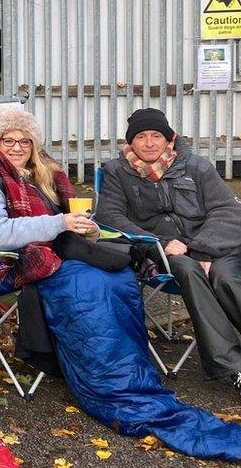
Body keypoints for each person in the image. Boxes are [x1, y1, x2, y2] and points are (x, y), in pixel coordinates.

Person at [0, 105, 241, 460]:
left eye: (25, 141)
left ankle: (131, 373)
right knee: (88, 289)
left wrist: (85, 227)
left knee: (116, 275)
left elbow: (81, 220)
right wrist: (61, 224)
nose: (17, 148)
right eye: (9, 140)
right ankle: (113, 385)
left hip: (59, 252)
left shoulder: (41, 174)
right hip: (10, 261)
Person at [96, 107, 241, 394]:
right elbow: (110, 217)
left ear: (169, 140)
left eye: (156, 136)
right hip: (162, 254)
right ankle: (233, 367)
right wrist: (159, 242)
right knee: (186, 269)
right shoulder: (117, 172)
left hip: (213, 247)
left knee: (225, 276)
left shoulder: (196, 166)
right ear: (130, 142)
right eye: (141, 136)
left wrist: (202, 249)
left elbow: (226, 211)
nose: (149, 143)